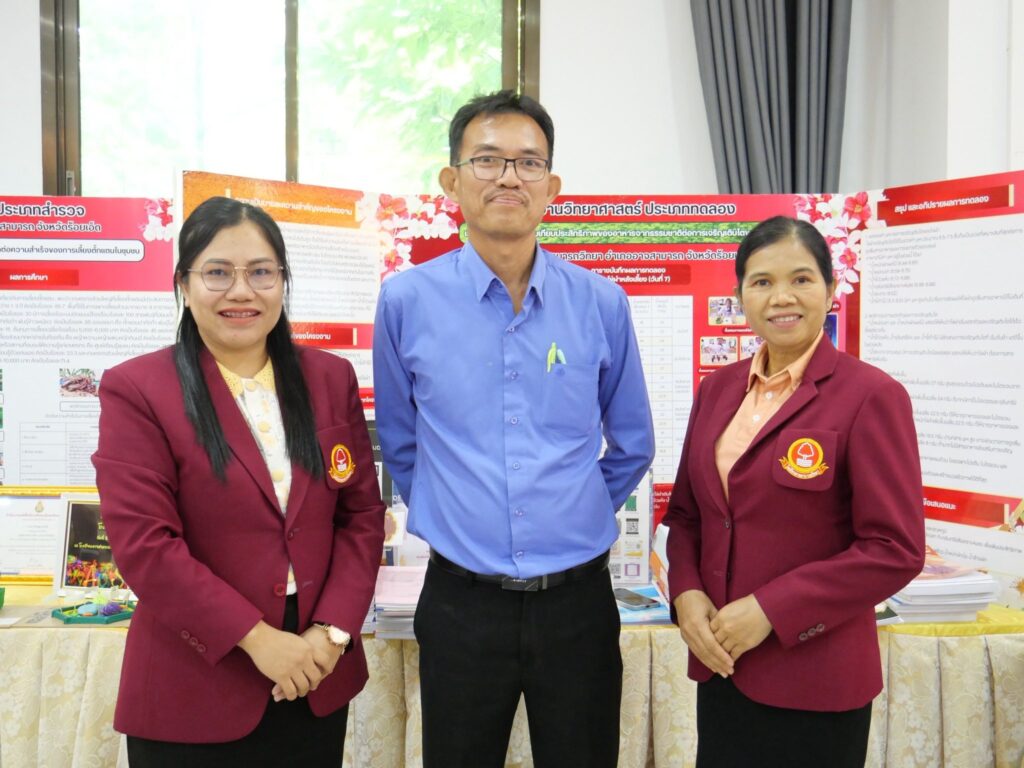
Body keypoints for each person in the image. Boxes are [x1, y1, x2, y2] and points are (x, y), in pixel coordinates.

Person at [372, 90, 655, 768]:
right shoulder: (406, 301)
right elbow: (401, 444)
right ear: (452, 181)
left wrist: (573, 506)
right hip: (460, 602)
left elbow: (633, 442)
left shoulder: (601, 303)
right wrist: (457, 512)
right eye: (488, 160)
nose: (509, 177)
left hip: (578, 604)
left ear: (551, 187)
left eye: (529, 163)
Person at [92, 197, 385, 766]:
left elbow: (361, 517)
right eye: (218, 273)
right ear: (184, 283)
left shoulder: (329, 377)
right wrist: (259, 640)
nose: (241, 291)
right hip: (196, 679)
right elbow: (146, 546)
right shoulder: (138, 389)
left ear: (283, 281)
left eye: (261, 272)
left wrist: (331, 634)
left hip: (315, 673)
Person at [664, 215, 926, 768]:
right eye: (761, 282)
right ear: (740, 296)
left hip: (815, 679)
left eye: (801, 279)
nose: (781, 297)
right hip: (722, 666)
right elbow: (688, 515)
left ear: (830, 290)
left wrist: (770, 609)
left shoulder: (870, 395)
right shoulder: (718, 390)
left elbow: (893, 548)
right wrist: (685, 595)